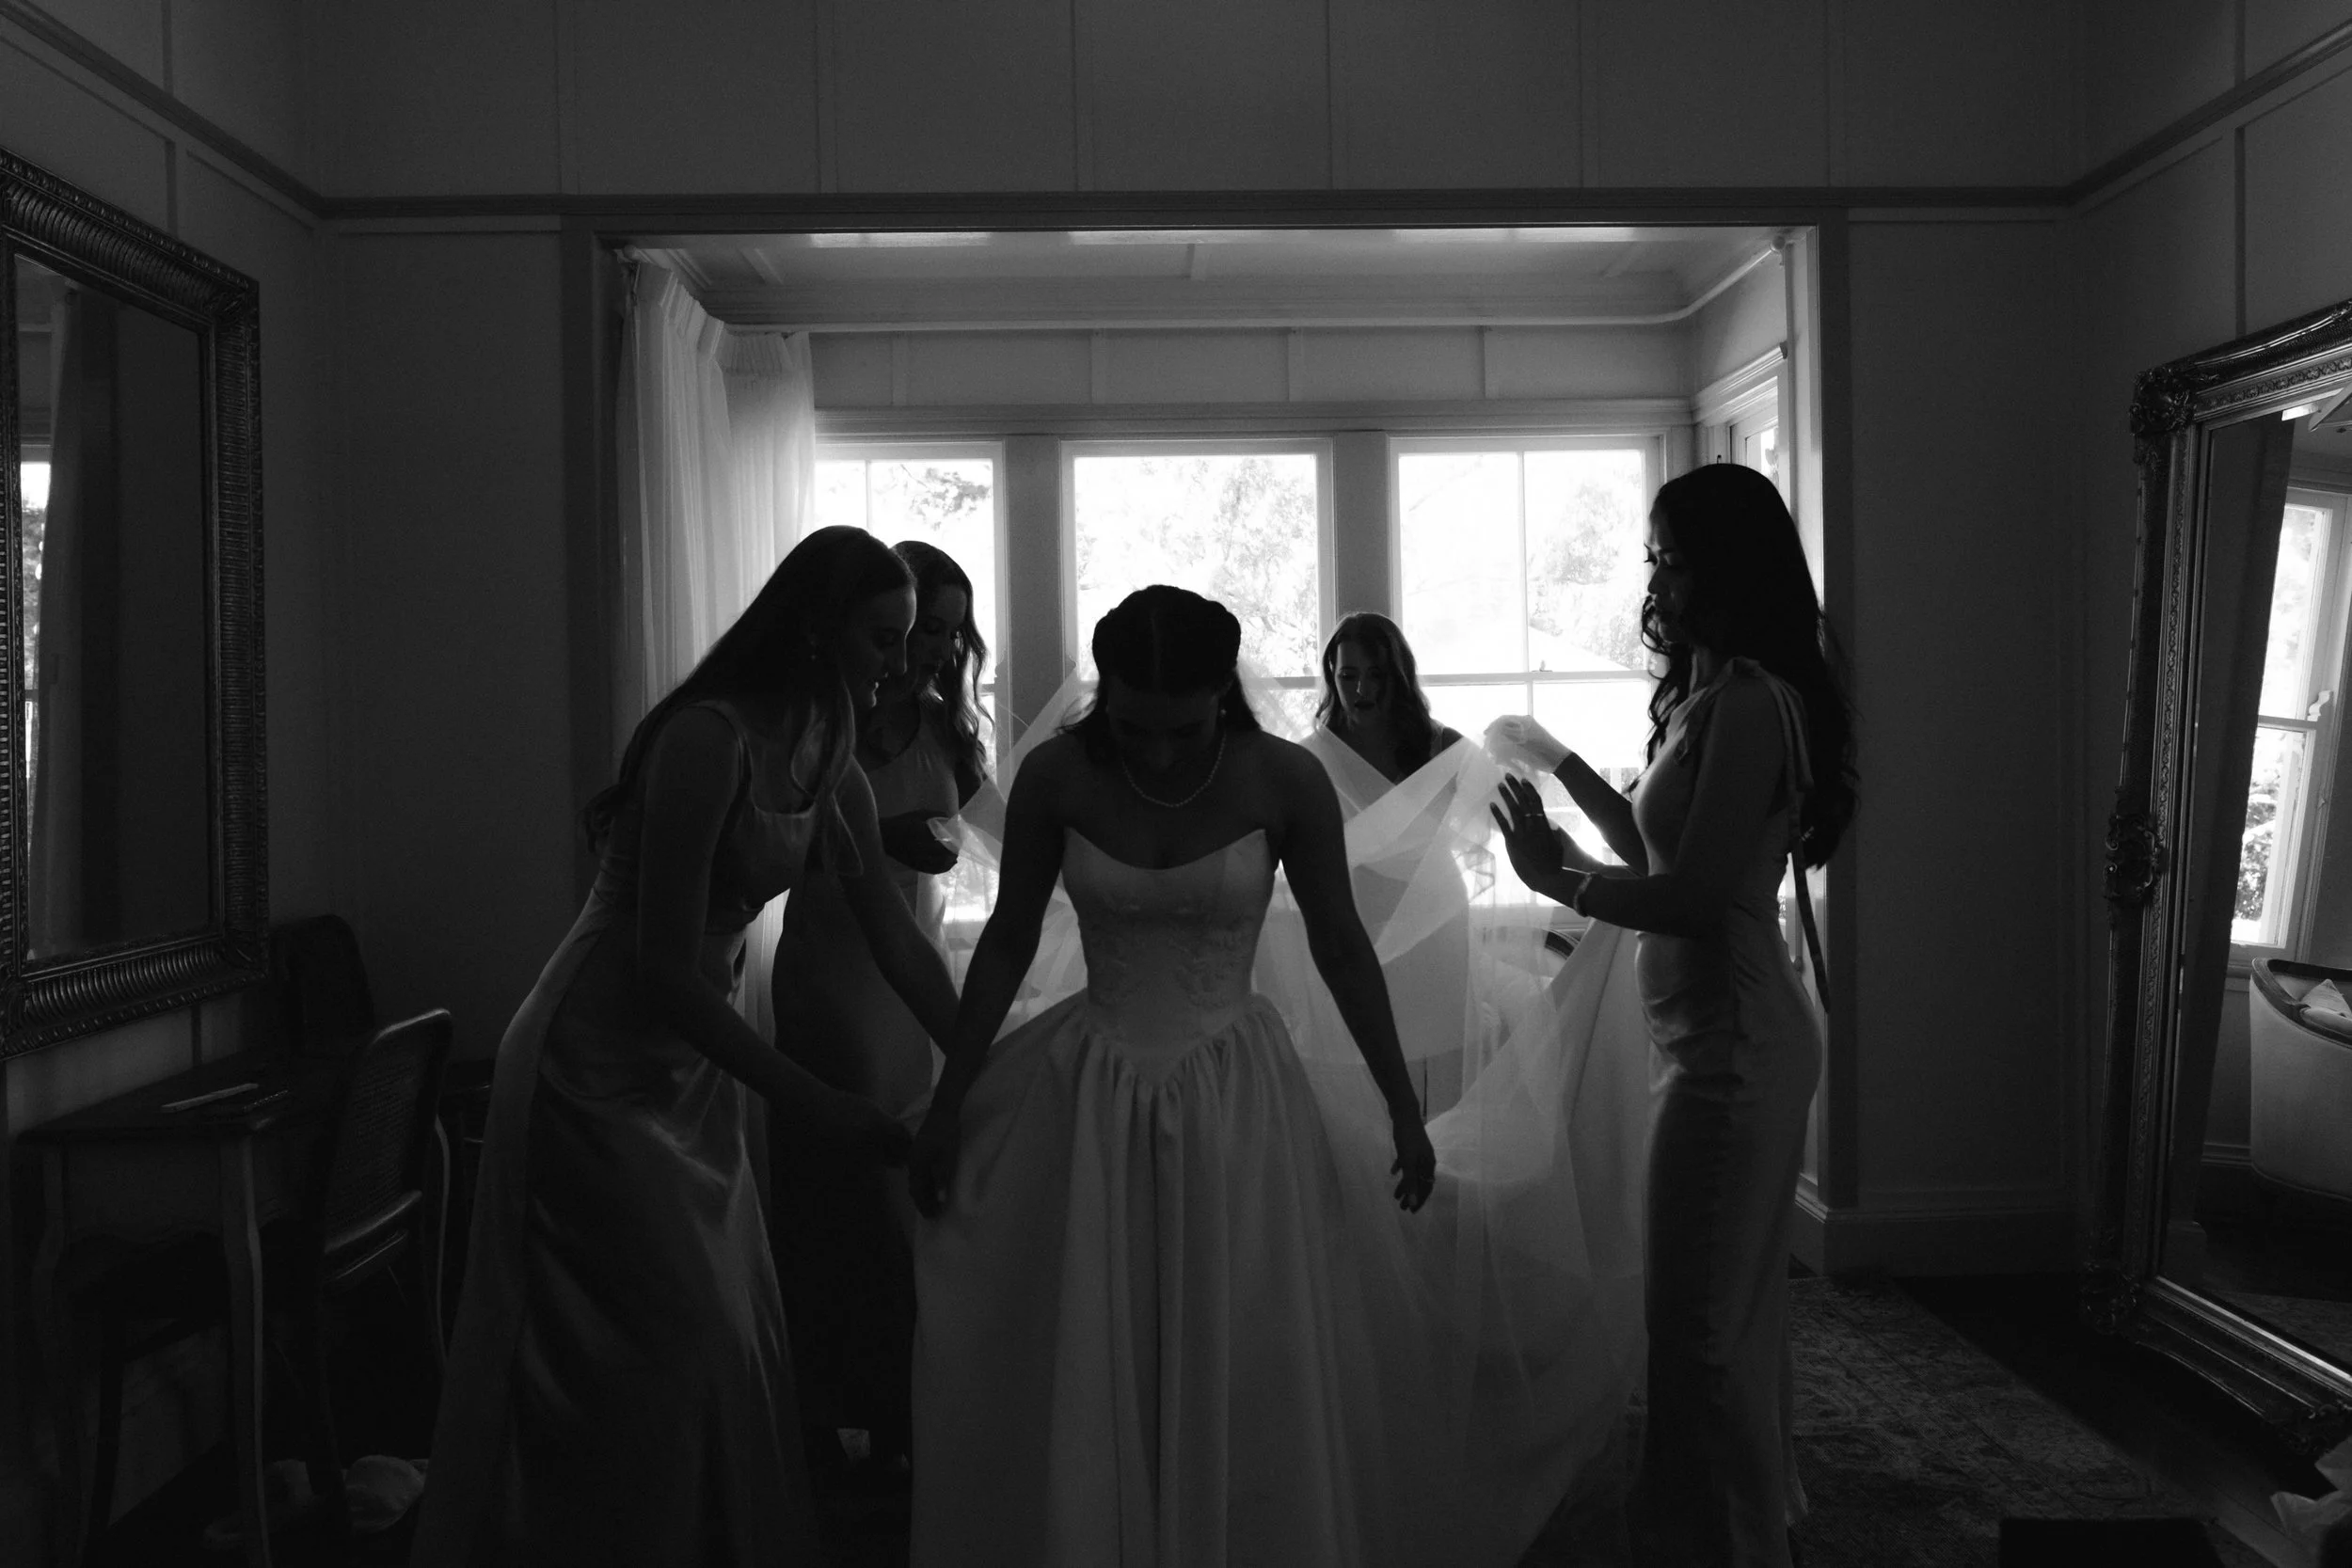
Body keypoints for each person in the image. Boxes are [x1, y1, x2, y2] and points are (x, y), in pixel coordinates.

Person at [903, 586, 1651, 1568]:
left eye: (1182, 726)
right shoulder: (1056, 777)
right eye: (1133, 725)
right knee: (1096, 1327)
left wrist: (1401, 1107)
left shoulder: (1280, 777)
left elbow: (1341, 943)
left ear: (1224, 690)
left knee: (1244, 1333)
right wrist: (953, 1096)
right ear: (1105, 695)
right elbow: (1005, 940)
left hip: (1236, 1096)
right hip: (1090, 1091)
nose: (1159, 751)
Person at [415, 526, 961, 1567]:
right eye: (884, 637)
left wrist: (976, 1054)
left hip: (689, 1061)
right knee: (652, 1338)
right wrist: (814, 1099)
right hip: (591, 1057)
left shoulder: (830, 740)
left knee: (728, 1332)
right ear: (816, 628)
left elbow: (896, 938)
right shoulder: (707, 738)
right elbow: (662, 967)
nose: (902, 662)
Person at [1488, 463, 1856, 1568]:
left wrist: (1558, 883)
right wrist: (1559, 771)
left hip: (1732, 1051)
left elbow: (1692, 901)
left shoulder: (1749, 703)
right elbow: (1659, 847)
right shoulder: (1716, 692)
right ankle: (1731, 1525)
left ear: (1728, 565)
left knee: (1697, 1324)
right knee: (1725, 1314)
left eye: (1672, 556)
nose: (1657, 577)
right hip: (1711, 1044)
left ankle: (1724, 1544)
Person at [770, 538, 989, 1474]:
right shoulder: (830, 723)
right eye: (917, 629)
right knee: (844, 1201)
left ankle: (904, 1416)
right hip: (835, 972)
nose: (934, 649)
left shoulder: (948, 730)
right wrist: (884, 836)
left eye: (946, 630)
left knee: (907, 1205)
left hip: (911, 965)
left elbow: (1007, 829)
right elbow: (774, 846)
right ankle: (826, 1413)